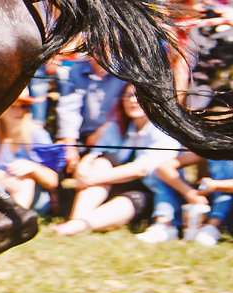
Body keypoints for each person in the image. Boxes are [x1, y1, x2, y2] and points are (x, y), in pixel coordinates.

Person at [55, 87, 182, 236]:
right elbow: (95, 154)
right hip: (109, 185)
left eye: (139, 96)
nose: (132, 101)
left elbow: (141, 169)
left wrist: (91, 179)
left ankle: (79, 224)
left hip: (146, 193)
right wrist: (83, 166)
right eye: (127, 96)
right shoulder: (115, 127)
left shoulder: (164, 131)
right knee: (101, 161)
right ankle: (77, 219)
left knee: (130, 195)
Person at [0, 89, 59, 214]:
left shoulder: (38, 135)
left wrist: (34, 168)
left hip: (34, 197)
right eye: (13, 106)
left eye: (24, 106)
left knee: (26, 178)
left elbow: (52, 181)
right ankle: (0, 216)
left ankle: (18, 218)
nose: (20, 111)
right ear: (1, 110)